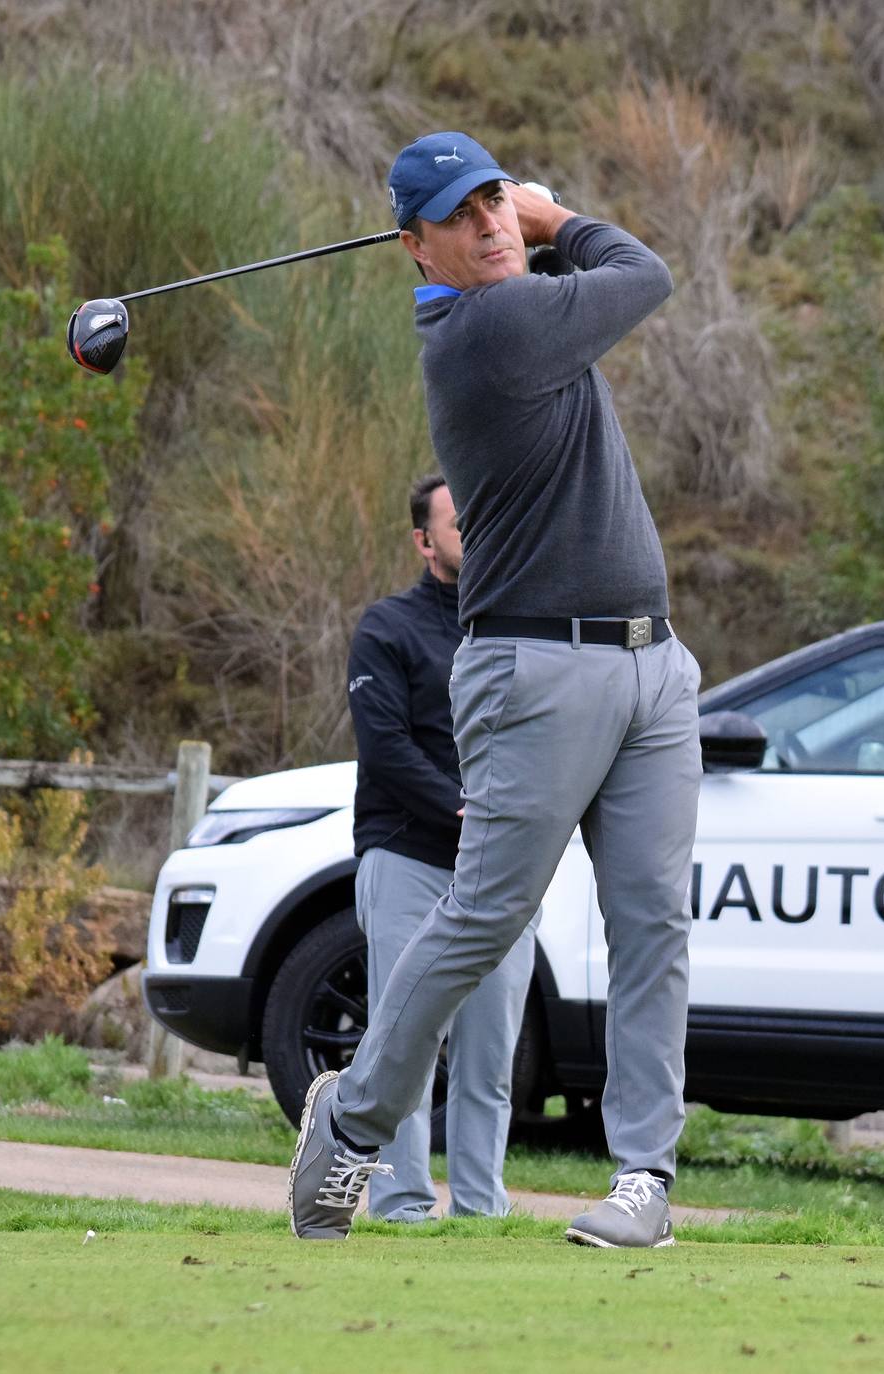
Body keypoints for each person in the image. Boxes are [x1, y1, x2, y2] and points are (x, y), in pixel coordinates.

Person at [289, 131, 702, 1248]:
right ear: (414, 245)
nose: (490, 227)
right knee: (484, 918)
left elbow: (595, 289)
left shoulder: (514, 307)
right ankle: (357, 1121)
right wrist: (553, 217)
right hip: (534, 667)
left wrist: (536, 234)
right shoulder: (482, 330)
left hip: (651, 664)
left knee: (653, 923)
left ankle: (642, 1183)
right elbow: (645, 275)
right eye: (465, 216)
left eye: (494, 204)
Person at [343, 471, 537, 1222]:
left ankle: (482, 1217)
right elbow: (385, 748)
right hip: (408, 863)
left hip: (501, 875)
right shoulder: (386, 629)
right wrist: (464, 813)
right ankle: (401, 1211)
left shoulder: (520, 630)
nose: (477, 533)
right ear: (424, 541)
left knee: (490, 1059)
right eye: (460, 523)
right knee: (405, 1048)